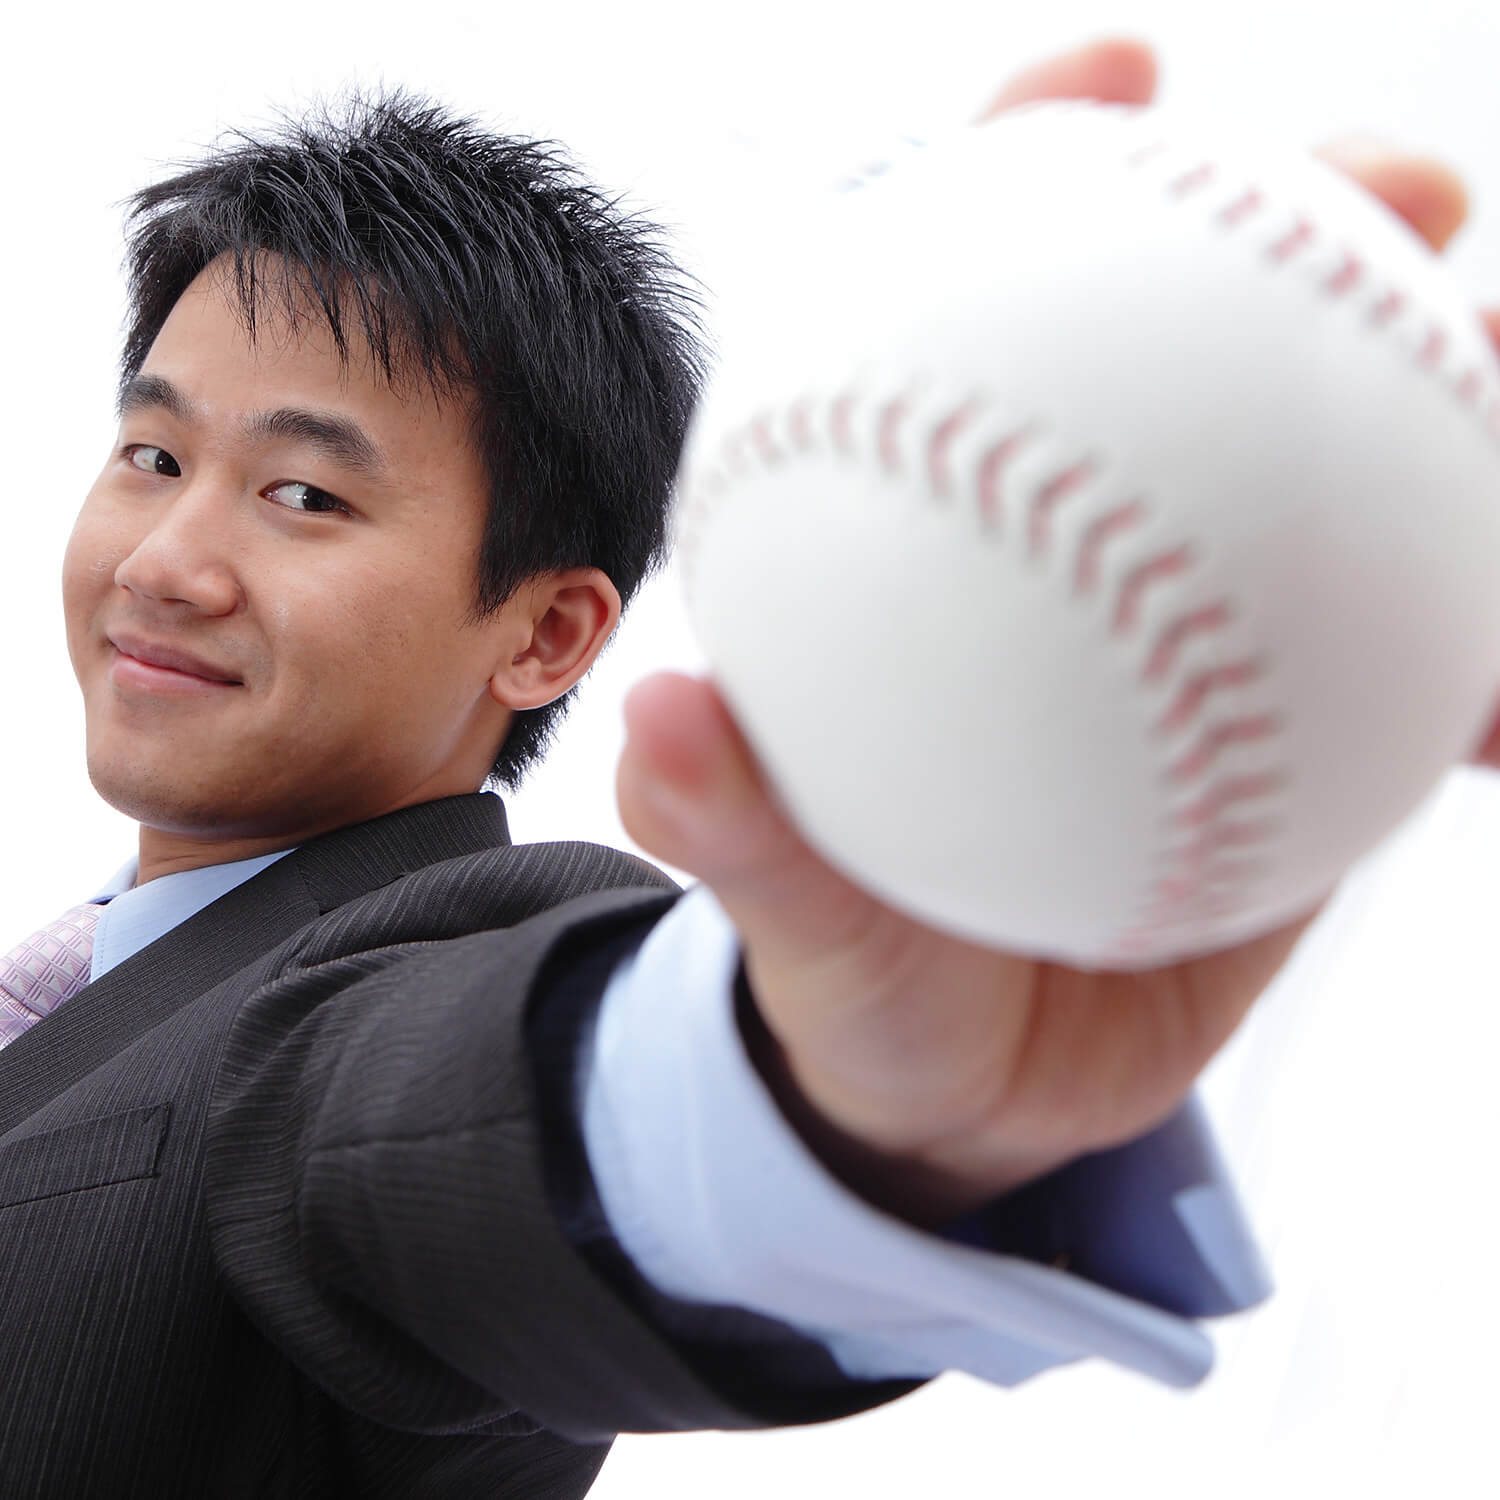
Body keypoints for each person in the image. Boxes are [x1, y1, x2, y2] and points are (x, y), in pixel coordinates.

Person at [0, 32, 1491, 1498]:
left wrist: (829, 1094)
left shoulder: (374, 1004)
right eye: (154, 458)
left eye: (305, 493)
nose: (171, 563)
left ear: (548, 633)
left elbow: (480, 1135)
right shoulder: (79, 989)